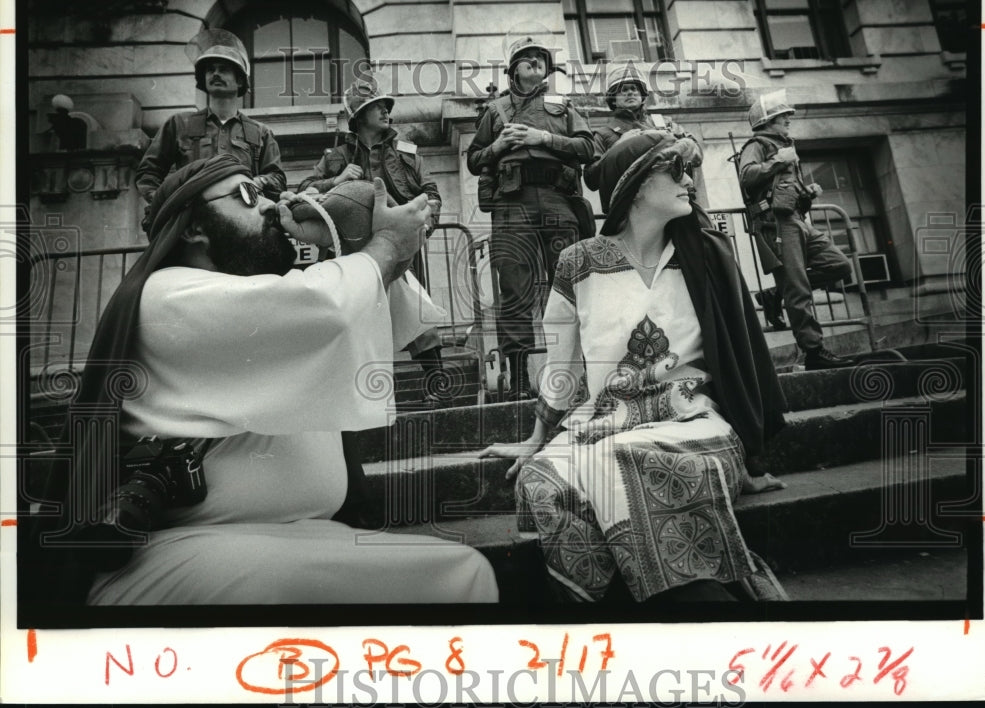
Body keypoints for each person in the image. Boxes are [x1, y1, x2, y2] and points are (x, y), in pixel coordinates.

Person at [27, 154, 498, 608]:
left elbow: (377, 312)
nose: (273, 205)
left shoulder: (275, 299)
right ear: (194, 226)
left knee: (464, 573)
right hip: (179, 546)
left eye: (268, 191)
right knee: (280, 585)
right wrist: (387, 247)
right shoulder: (166, 294)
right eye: (248, 195)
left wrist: (351, 242)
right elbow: (327, 307)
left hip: (301, 533)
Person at [481, 133, 788, 605]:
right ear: (637, 186)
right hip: (603, 420)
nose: (689, 182)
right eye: (676, 172)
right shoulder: (578, 262)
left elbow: (746, 358)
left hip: (693, 420)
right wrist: (536, 438)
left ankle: (706, 600)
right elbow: (561, 364)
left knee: (617, 462)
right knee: (540, 482)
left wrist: (754, 454)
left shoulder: (705, 255)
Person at [466, 33, 594, 399]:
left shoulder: (563, 104)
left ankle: (581, 369)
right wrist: (498, 146)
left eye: (540, 57)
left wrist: (544, 139)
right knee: (515, 288)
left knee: (571, 284)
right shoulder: (496, 110)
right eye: (527, 58)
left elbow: (588, 146)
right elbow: (474, 160)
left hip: (557, 199)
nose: (535, 62)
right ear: (513, 69)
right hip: (512, 203)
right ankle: (520, 380)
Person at [306, 78, 447, 407]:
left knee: (416, 312)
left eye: (386, 106)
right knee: (353, 323)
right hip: (352, 255)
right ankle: (352, 400)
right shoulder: (335, 157)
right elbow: (308, 192)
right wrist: (337, 180)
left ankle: (437, 386)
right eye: (376, 106)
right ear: (358, 114)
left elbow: (432, 197)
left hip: (399, 252)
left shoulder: (408, 154)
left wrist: (423, 228)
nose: (385, 110)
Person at [738, 90, 854, 370]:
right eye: (782, 116)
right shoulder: (757, 144)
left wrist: (807, 193)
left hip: (796, 220)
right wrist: (779, 160)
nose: (788, 119)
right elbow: (747, 176)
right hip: (776, 224)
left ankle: (776, 294)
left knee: (839, 265)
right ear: (767, 120)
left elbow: (785, 189)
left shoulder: (786, 145)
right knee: (799, 290)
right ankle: (813, 351)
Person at [134, 29, 286, 207]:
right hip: (192, 224)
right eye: (210, 70)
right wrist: (165, 206)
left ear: (239, 81)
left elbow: (277, 179)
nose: (215, 74)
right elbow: (149, 172)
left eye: (223, 70)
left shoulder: (260, 132)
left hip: (243, 221)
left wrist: (257, 182)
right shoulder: (180, 124)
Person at [583, 62, 697, 194]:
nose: (630, 92)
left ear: (642, 95)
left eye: (634, 89)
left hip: (672, 197)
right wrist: (617, 148)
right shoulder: (603, 135)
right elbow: (591, 180)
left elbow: (695, 154)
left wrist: (674, 145)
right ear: (613, 99)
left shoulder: (664, 124)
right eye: (623, 90)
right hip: (630, 204)